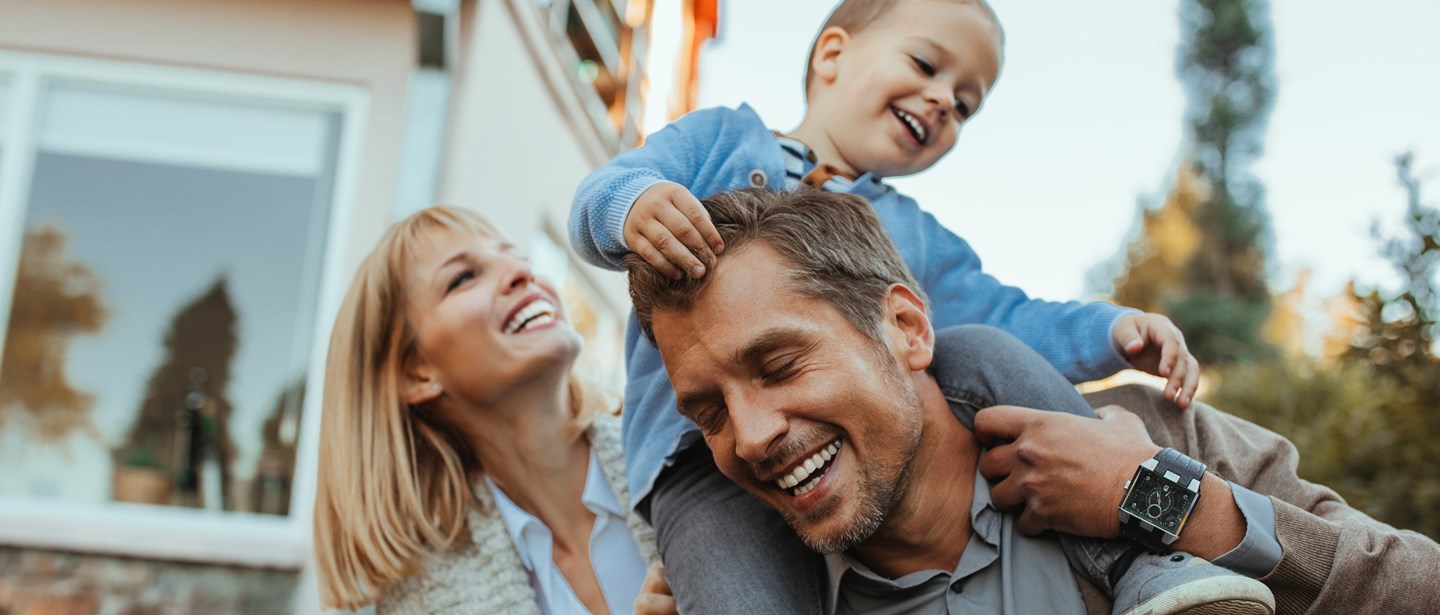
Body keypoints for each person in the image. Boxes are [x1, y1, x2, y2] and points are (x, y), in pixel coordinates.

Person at [569, 0, 1217, 611]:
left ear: (907, 319)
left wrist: (1109, 330)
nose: (943, 101)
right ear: (832, 56)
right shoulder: (719, 140)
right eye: (926, 65)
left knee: (978, 350)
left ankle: (1141, 557)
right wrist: (632, 206)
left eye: (965, 105)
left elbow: (1006, 314)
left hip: (852, 458)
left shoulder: (915, 235)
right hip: (702, 469)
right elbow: (606, 186)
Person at [627, 188, 1440, 614]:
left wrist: (1162, 500)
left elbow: (1417, 589)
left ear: (907, 328)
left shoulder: (1150, 433)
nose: (753, 434)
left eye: (777, 365)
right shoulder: (747, 593)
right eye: (709, 413)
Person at [311, 206, 674, 614]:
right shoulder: (416, 602)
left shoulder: (682, 454)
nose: (524, 274)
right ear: (416, 372)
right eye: (463, 278)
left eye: (517, 256)